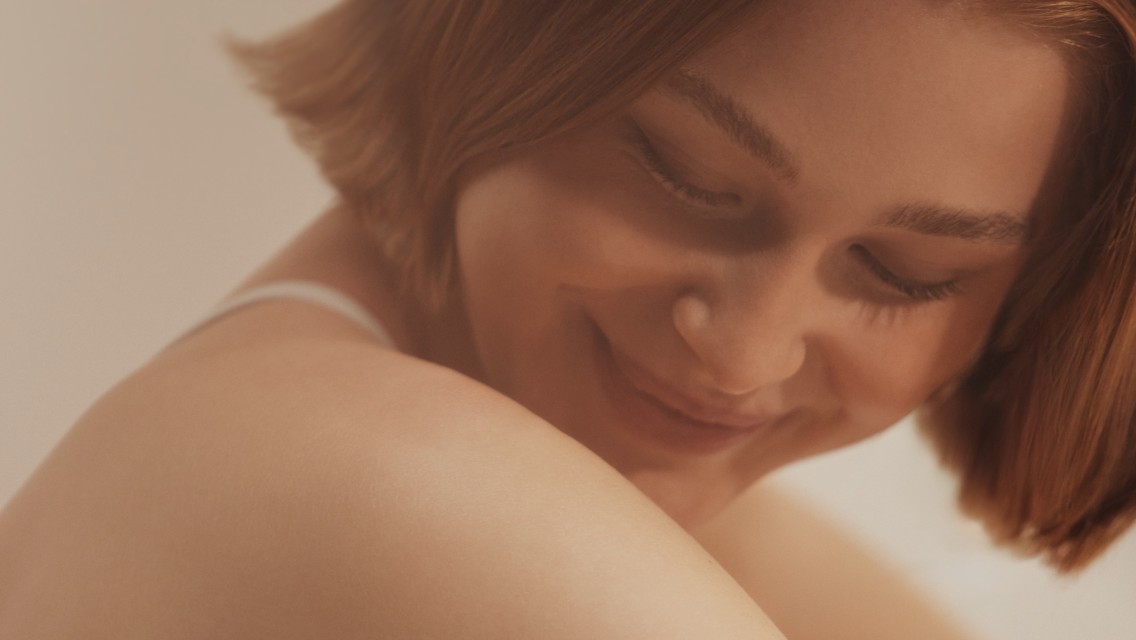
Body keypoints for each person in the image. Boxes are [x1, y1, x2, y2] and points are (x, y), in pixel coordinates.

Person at [2, 0, 1135, 637]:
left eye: (902, 270)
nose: (742, 349)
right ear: (493, 45)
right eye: (681, 173)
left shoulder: (634, 499)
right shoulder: (388, 479)